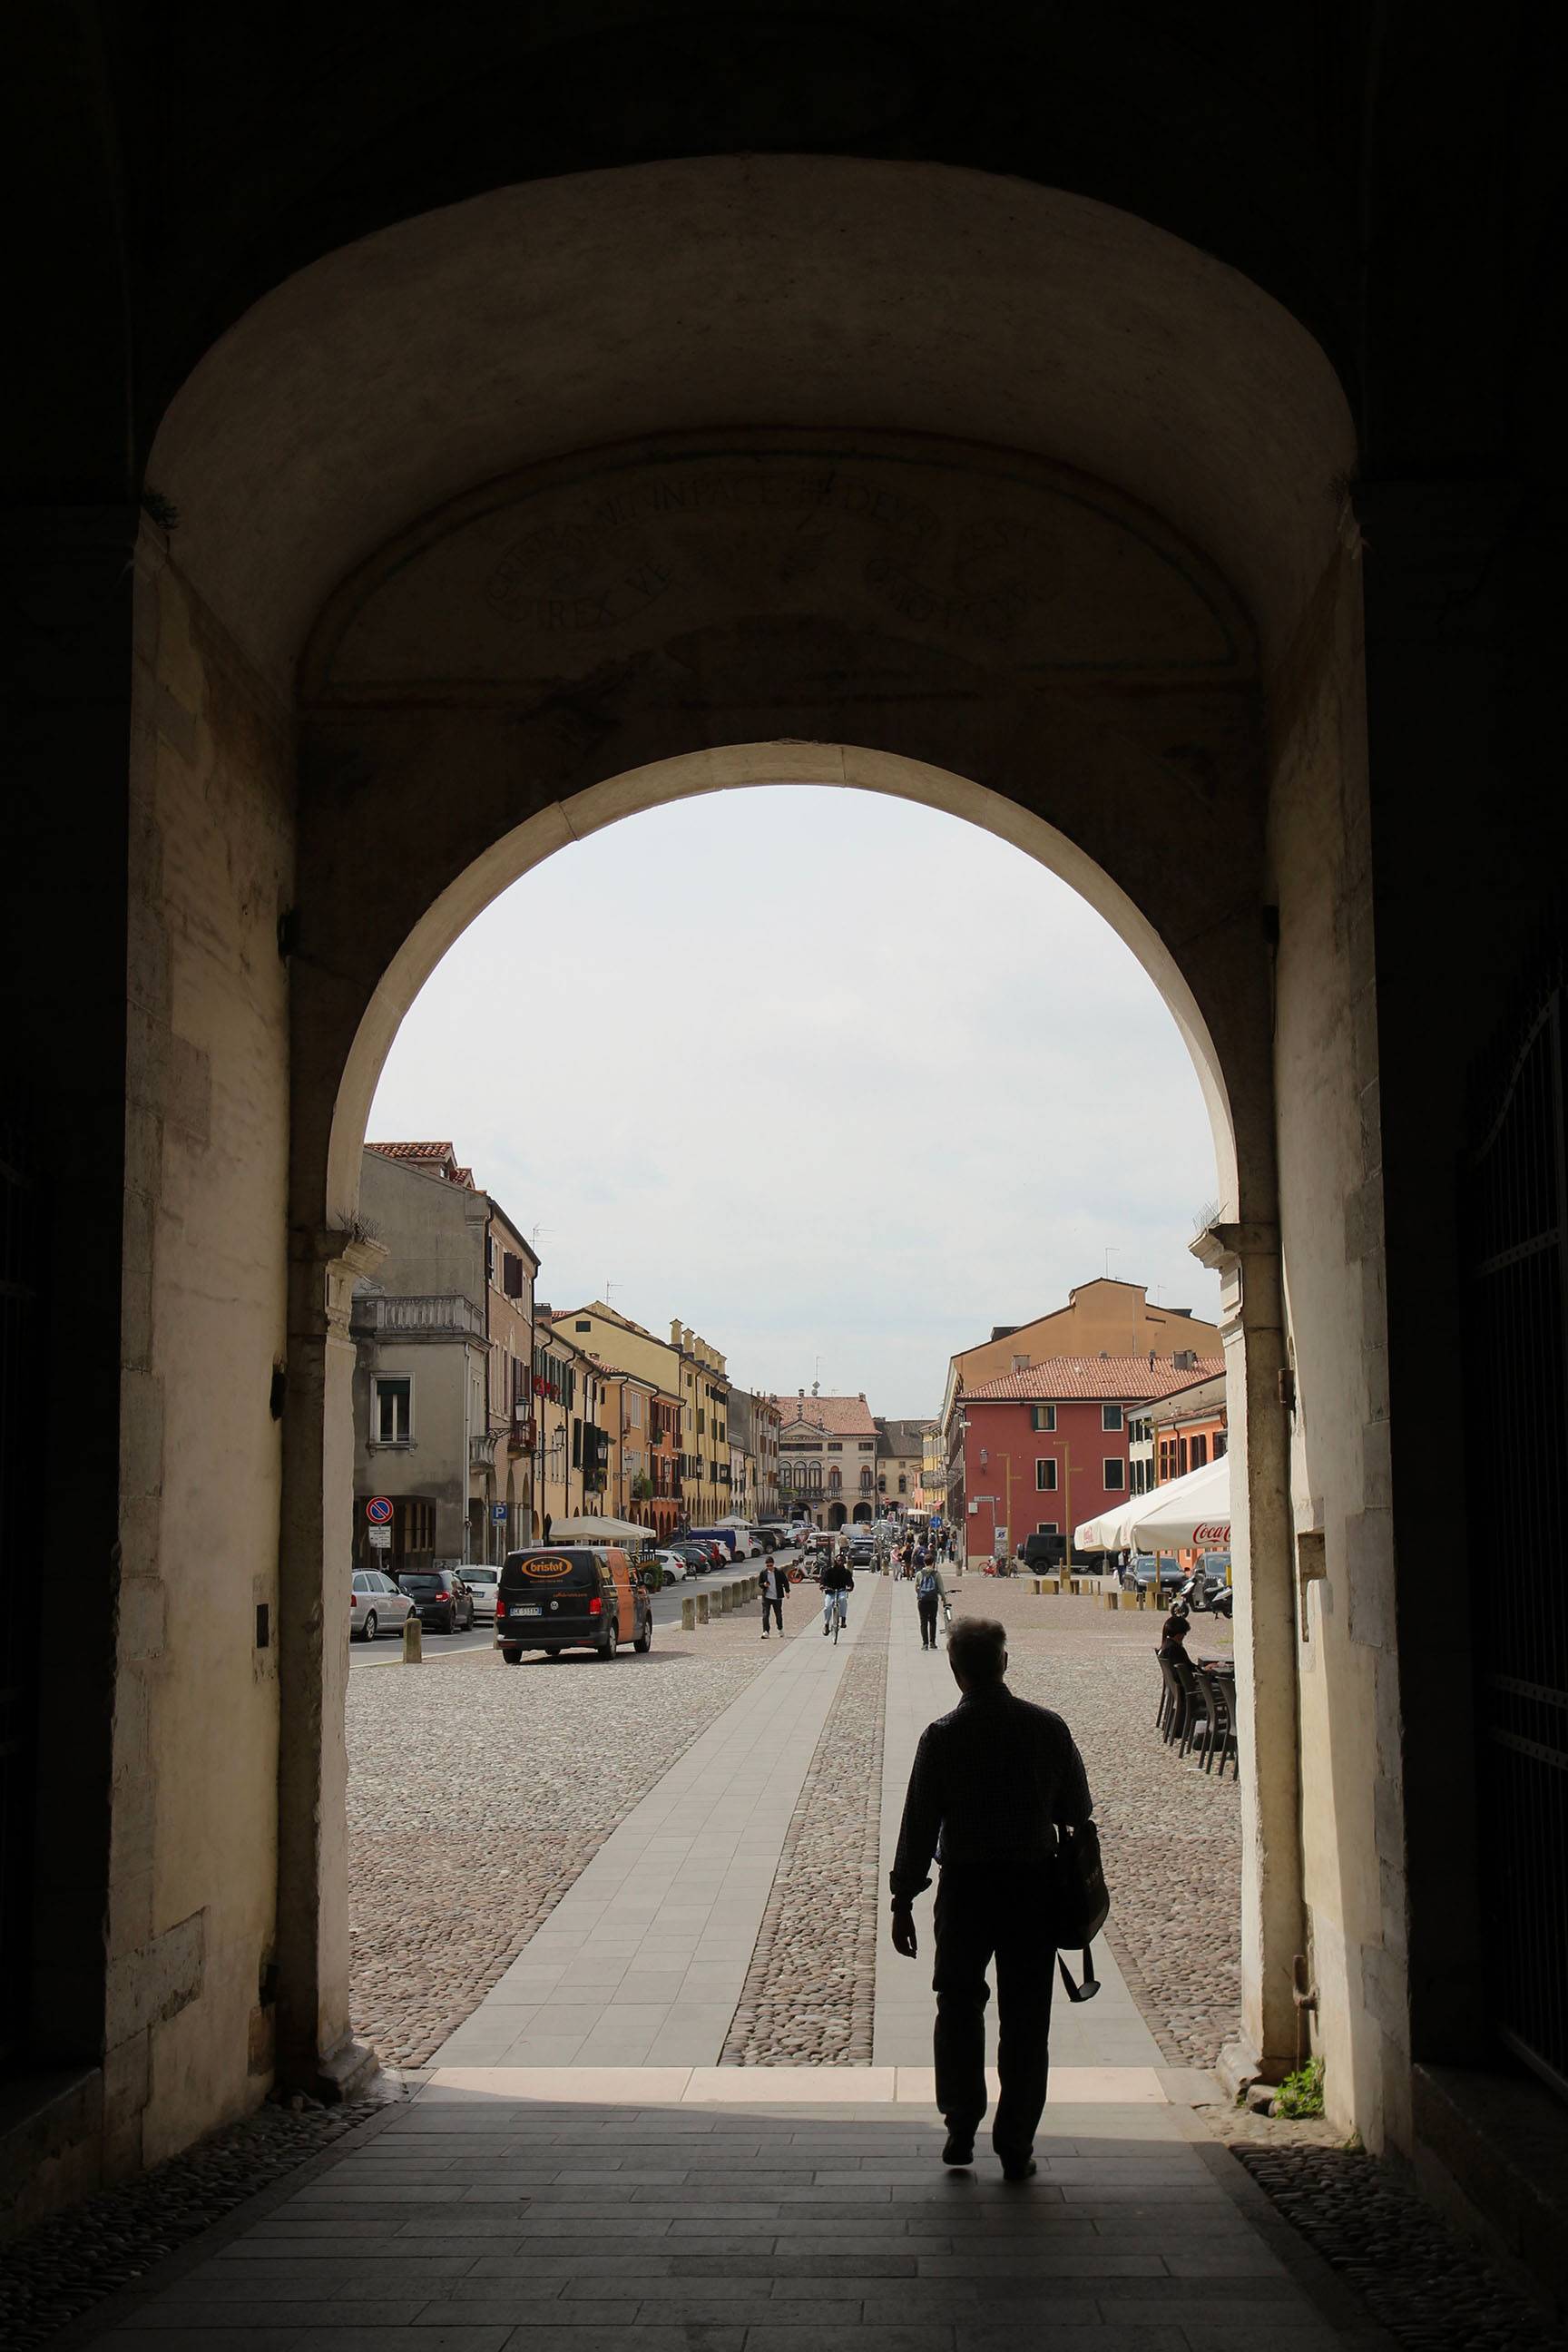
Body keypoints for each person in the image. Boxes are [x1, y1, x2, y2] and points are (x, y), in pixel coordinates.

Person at [889, 1616, 1093, 2180]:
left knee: (957, 2005)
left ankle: (960, 2122)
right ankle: (1016, 2144)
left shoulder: (942, 1737)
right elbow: (1077, 1809)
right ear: (1005, 1663)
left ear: (956, 1672)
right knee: (1026, 2019)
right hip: (1031, 1889)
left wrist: (903, 1898)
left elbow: (918, 1825)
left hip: (966, 1890)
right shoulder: (1047, 1729)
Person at [915, 1553, 946, 1650]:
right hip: (933, 1600)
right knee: (933, 1621)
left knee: (923, 1622)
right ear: (933, 1563)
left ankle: (925, 1644)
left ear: (924, 1562)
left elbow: (916, 1587)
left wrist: (920, 1594)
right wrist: (944, 1599)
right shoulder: (936, 1574)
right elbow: (941, 1588)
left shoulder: (919, 1573)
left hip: (922, 1601)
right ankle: (932, 1642)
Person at [819, 1546, 854, 1634]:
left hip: (841, 1590)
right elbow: (823, 1579)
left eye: (842, 1561)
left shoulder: (846, 1572)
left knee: (842, 1600)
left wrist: (850, 1587)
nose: (840, 1562)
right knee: (827, 1606)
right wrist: (823, 1585)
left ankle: (843, 1619)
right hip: (830, 1591)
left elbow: (850, 1582)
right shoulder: (829, 1571)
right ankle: (826, 1624)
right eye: (838, 1560)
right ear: (835, 1561)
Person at [760, 1552, 789, 1640]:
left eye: (771, 1565)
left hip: (777, 1596)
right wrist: (764, 1584)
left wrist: (787, 1591)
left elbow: (785, 1582)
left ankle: (780, 1629)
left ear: (773, 1564)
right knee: (765, 1614)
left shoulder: (779, 1572)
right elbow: (759, 1583)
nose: (769, 1567)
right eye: (768, 1566)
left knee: (778, 1614)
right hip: (766, 1596)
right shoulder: (763, 1573)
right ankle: (766, 1631)